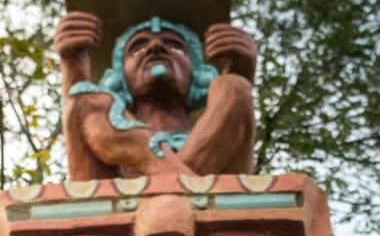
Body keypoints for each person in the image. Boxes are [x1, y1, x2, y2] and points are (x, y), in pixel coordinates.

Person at [54, 11, 258, 180]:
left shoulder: (217, 123)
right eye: (137, 48)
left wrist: (240, 73)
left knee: (233, 85)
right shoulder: (108, 132)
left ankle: (166, 175)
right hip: (127, 199)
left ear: (197, 73)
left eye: (175, 46)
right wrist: (73, 66)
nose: (155, 47)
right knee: (84, 99)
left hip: (206, 202)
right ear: (119, 77)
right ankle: (181, 182)